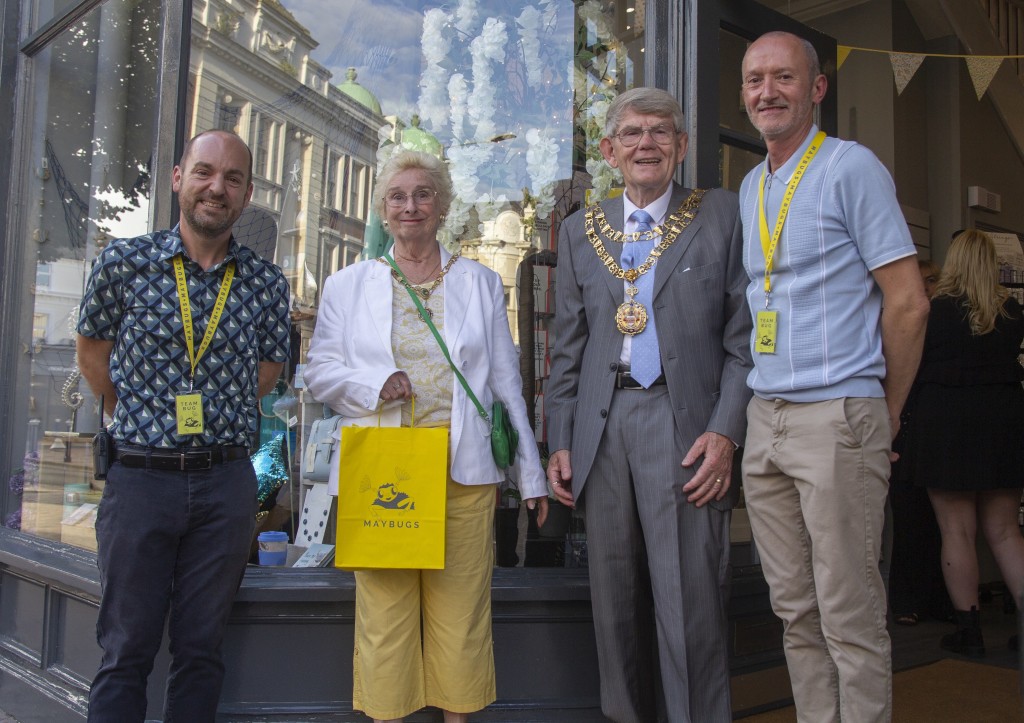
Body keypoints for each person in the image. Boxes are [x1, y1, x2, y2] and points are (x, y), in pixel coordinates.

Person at [303, 150, 549, 723]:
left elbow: (508, 383)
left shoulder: (481, 282)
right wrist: (371, 383)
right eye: (397, 196)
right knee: (385, 619)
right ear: (383, 210)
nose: (410, 205)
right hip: (385, 469)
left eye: (422, 194)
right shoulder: (348, 285)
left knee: (461, 617)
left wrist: (529, 474)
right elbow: (318, 372)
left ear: (441, 207)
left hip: (462, 472)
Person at [737, 31, 930, 722]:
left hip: (838, 413)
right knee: (793, 609)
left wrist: (885, 410)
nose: (768, 91)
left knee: (849, 608)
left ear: (817, 88)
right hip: (768, 418)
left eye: (784, 77)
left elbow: (908, 302)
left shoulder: (852, 169)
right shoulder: (751, 185)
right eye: (755, 79)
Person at [546, 87, 752, 723]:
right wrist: (560, 435)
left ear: (682, 146)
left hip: (682, 422)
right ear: (610, 150)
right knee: (612, 601)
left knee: (688, 599)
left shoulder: (719, 214)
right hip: (601, 429)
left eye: (661, 133)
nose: (647, 144)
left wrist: (725, 432)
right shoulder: (582, 230)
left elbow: (746, 341)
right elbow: (566, 346)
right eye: (632, 134)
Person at [76, 130, 291, 722]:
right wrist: (140, 413)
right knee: (125, 651)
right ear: (178, 179)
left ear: (246, 195)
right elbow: (92, 354)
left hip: (225, 486)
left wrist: (216, 411)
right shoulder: (124, 263)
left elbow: (268, 371)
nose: (216, 188)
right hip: (141, 480)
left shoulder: (267, 284)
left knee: (201, 652)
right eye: (204, 172)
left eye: (232, 179)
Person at [905, 229, 1024, 656]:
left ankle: (969, 633)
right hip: (1004, 424)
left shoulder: (934, 311)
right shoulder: (1012, 312)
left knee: (956, 530)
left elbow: (912, 366)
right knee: (1006, 531)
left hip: (947, 425)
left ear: (953, 262)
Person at [887, 257, 948, 627]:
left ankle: (939, 600)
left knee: (942, 522)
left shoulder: (944, 323)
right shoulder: (899, 325)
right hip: (903, 426)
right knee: (908, 517)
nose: (926, 286)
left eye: (931, 279)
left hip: (932, 428)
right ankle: (907, 601)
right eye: (920, 280)